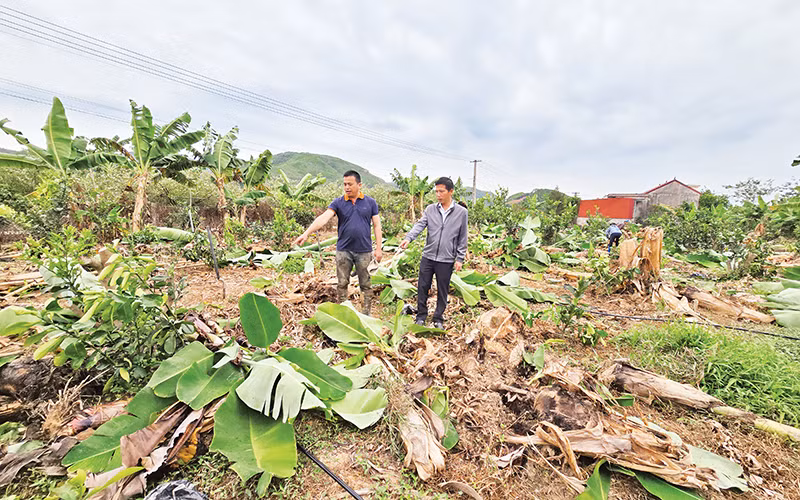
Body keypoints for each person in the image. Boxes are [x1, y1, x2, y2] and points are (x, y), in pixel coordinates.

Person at [293, 170, 382, 314]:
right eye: (345, 184)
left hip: (364, 250)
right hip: (343, 251)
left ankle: (366, 315)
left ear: (359, 185)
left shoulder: (370, 202)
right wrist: (306, 233)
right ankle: (343, 314)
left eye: (350, 184)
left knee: (366, 284)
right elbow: (323, 218)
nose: (347, 187)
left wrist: (379, 249)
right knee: (342, 284)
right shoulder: (338, 202)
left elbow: (377, 225)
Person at [399, 177, 468, 329]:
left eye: (441, 191)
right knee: (423, 286)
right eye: (436, 191)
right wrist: (409, 238)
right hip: (428, 256)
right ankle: (421, 316)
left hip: (446, 258)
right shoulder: (431, 209)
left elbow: (463, 237)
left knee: (443, 289)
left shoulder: (461, 212)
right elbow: (420, 225)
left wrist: (460, 258)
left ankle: (438, 318)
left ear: (451, 192)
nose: (438, 194)